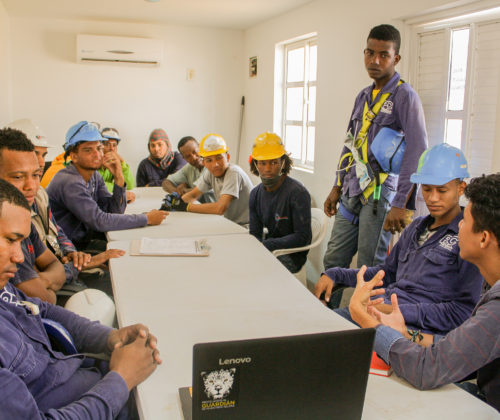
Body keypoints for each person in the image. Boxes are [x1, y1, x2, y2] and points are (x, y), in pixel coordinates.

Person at [0, 178, 161, 417]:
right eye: (11, 240)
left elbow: (41, 309)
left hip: (91, 379)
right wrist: (121, 380)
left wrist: (109, 337)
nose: (20, 257)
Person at [349, 173, 500, 412]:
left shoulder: (496, 309)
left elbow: (426, 370)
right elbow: (466, 353)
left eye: (465, 221)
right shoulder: (490, 285)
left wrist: (367, 321)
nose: (458, 226)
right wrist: (405, 334)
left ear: (483, 238)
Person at [315, 144, 483, 335]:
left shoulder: (469, 236)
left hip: (412, 327)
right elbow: (385, 274)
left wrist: (395, 311)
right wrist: (335, 274)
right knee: (319, 328)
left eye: (442, 191)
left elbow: (461, 312)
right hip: (380, 309)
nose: (433, 198)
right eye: (427, 190)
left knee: (331, 344)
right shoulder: (417, 227)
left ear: (461, 188)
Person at [323, 24, 427, 272]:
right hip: (351, 190)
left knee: (370, 269)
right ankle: (327, 310)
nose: (375, 60)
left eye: (384, 55)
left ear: (396, 58)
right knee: (333, 262)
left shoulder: (405, 96)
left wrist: (401, 203)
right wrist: (337, 185)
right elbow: (350, 143)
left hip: (379, 197)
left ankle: (363, 312)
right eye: (370, 53)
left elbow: (417, 150)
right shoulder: (363, 96)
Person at [47, 121, 167, 252]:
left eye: (99, 148)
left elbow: (113, 211)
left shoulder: (93, 175)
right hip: (67, 250)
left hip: (82, 239)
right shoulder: (70, 181)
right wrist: (146, 219)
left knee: (130, 245)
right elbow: (99, 220)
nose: (97, 154)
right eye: (88, 150)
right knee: (125, 253)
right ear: (73, 156)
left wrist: (119, 177)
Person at [248, 132, 312, 273]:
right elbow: (255, 234)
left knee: (258, 273)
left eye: (274, 162)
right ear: (255, 164)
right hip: (269, 249)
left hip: (291, 255)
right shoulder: (255, 194)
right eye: (262, 163)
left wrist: (269, 244)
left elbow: (303, 237)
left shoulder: (297, 193)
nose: (268, 169)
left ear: (283, 163)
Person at [178, 133, 253, 226]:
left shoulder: (234, 173)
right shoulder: (210, 173)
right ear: (204, 162)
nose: (215, 164)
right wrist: (177, 201)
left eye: (219, 158)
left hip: (246, 227)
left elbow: (220, 208)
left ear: (227, 157)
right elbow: (191, 196)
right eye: (209, 160)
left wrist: (187, 207)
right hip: (229, 224)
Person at [162, 136, 215, 203]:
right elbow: (166, 182)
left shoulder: (213, 165)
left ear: (200, 147)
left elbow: (199, 190)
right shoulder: (189, 167)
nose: (194, 157)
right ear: (184, 158)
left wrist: (184, 189)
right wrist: (176, 191)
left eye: (195, 152)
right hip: (201, 209)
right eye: (188, 156)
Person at [98, 127, 136, 204]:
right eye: (107, 144)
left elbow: (130, 185)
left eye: (114, 145)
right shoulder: (92, 163)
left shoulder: (112, 163)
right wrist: (118, 189)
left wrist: (122, 163)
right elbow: (97, 186)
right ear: (100, 146)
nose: (111, 149)